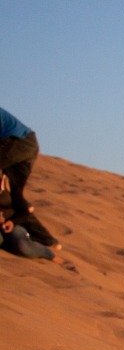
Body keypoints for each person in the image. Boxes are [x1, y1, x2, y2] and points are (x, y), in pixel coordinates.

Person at [0, 107, 59, 249]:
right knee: (15, 195)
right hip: (28, 143)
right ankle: (46, 239)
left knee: (11, 194)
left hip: (18, 142)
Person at [1, 213, 75, 270]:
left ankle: (49, 254)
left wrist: (12, 222)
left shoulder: (10, 193)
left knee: (24, 247)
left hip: (12, 223)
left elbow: (24, 211)